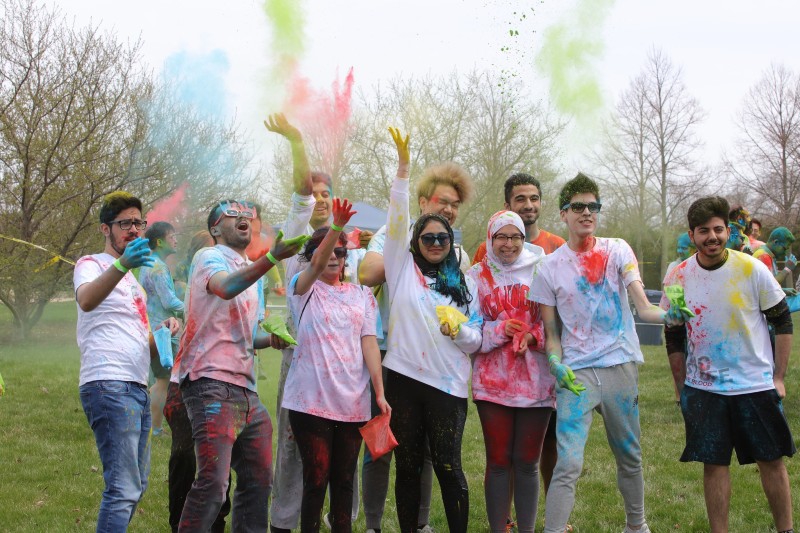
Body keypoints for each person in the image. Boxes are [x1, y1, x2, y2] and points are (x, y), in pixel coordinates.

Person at [529, 173, 683, 533]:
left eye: (593, 206)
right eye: (578, 206)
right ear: (564, 213)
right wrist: (555, 363)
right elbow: (552, 335)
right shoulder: (548, 267)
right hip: (576, 374)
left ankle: (637, 526)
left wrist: (670, 315)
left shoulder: (617, 249)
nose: (587, 212)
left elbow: (644, 308)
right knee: (567, 463)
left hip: (618, 366)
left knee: (630, 456)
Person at [358, 136, 475, 533]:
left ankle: (421, 524)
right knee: (382, 450)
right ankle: (373, 524)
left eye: (456, 206)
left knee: (432, 458)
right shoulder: (397, 242)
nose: (449, 210)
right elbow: (368, 272)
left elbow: (471, 317)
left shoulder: (457, 255)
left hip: (443, 372)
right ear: (423, 201)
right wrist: (403, 173)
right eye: (443, 201)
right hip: (393, 358)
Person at [661, 196, 795, 533]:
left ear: (727, 229)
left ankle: (787, 530)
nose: (712, 237)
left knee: (772, 461)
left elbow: (783, 321)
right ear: (692, 234)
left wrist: (778, 376)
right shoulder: (679, 276)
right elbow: (674, 336)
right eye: (703, 231)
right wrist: (681, 388)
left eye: (718, 229)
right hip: (705, 388)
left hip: (755, 384)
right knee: (714, 464)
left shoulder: (752, 269)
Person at [264, 113, 369, 533]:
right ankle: (284, 523)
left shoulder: (354, 253)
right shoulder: (295, 245)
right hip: (303, 369)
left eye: (328, 194)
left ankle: (340, 521)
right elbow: (300, 192)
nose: (320, 199)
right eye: (316, 194)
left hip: (348, 376)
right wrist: (295, 140)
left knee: (343, 466)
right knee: (293, 454)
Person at [174, 199, 305, 532]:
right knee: (214, 484)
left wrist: (274, 337)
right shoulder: (209, 257)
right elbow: (225, 287)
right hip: (209, 382)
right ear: (215, 228)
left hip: (246, 389)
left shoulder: (253, 271)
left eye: (248, 214)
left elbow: (252, 333)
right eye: (232, 214)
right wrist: (273, 257)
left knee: (259, 480)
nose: (243, 217)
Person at [73, 191, 180, 532]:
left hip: (135, 387)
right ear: (106, 229)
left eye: (138, 223)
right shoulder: (90, 265)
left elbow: (138, 343)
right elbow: (87, 300)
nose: (134, 230)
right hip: (107, 384)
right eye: (125, 224)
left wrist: (160, 332)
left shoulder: (135, 283)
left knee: (136, 487)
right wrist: (122, 265)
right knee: (122, 489)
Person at [284, 198, 390, 532]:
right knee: (316, 479)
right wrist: (337, 230)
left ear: (348, 257)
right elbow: (315, 264)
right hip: (310, 401)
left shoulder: (362, 295)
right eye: (328, 250)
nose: (334, 256)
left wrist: (379, 391)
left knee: (344, 481)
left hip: (352, 402)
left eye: (341, 251)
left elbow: (369, 342)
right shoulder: (304, 288)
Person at [466, 210, 555, 533]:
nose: (508, 244)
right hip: (492, 382)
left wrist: (533, 336)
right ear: (490, 239)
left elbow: (558, 325)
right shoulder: (476, 276)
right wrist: (500, 331)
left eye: (515, 236)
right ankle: (498, 529)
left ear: (524, 237)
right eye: (501, 236)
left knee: (528, 462)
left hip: (538, 382)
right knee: (499, 461)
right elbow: (470, 331)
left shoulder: (543, 270)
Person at [162, 229, 232, 533]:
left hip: (225, 382)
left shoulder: (237, 282)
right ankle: (179, 523)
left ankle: (216, 522)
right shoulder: (196, 283)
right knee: (185, 454)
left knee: (218, 460)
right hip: (187, 380)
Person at [138, 221, 183, 437]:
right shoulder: (159, 267)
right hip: (164, 332)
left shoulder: (146, 264)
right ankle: (154, 428)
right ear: (159, 241)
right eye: (172, 236)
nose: (175, 240)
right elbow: (169, 301)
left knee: (157, 379)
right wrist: (192, 308)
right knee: (163, 380)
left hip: (151, 329)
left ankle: (149, 426)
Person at [471, 172, 565, 264]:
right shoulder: (488, 249)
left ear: (540, 203)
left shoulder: (558, 246)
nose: (529, 206)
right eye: (520, 199)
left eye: (534, 199)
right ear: (507, 207)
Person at [753, 227, 797, 293]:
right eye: (784, 249)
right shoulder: (764, 256)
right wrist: (787, 269)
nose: (785, 253)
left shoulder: (768, 255)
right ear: (776, 242)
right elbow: (770, 285)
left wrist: (784, 291)